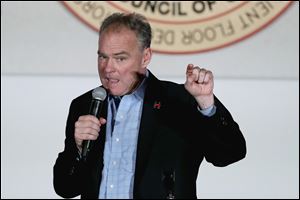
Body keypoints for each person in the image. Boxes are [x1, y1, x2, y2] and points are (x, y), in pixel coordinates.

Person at [53, 12, 246, 199]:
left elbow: (229, 154)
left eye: (120, 58)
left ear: (145, 57)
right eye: (103, 57)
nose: (108, 68)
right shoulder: (84, 106)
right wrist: (78, 150)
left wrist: (206, 105)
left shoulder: (180, 101)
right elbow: (65, 188)